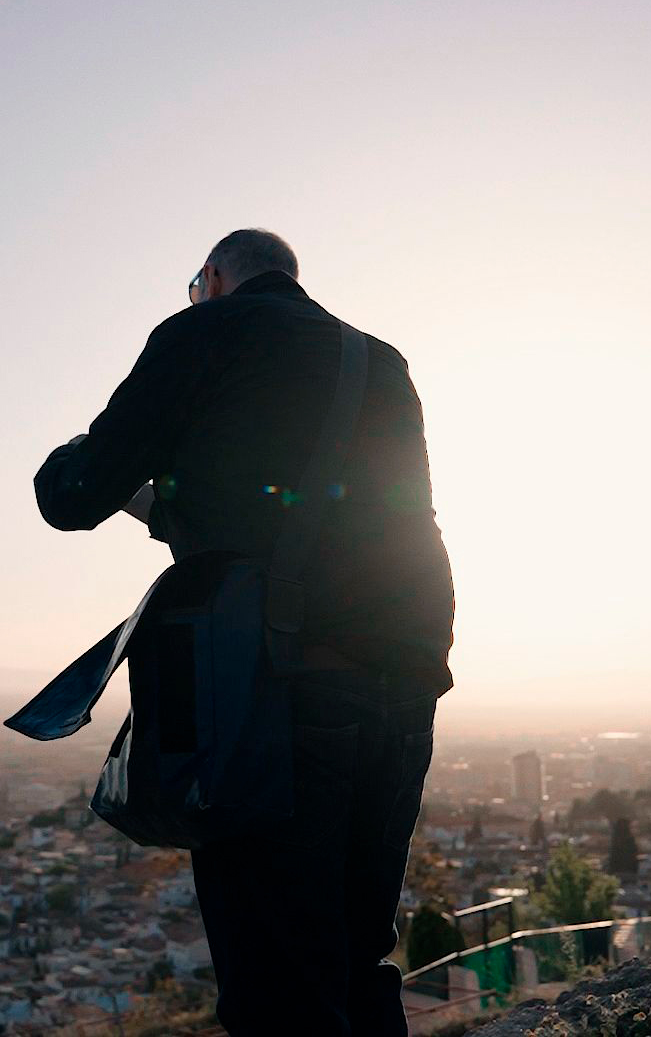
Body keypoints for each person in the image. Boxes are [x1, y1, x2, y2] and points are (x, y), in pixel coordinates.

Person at [33, 229, 455, 1035]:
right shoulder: (380, 362)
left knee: (274, 980)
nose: (195, 296)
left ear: (217, 277)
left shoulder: (203, 331)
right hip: (404, 682)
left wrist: (77, 459)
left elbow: (76, 495)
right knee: (358, 956)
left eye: (196, 284)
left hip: (276, 690)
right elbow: (357, 518)